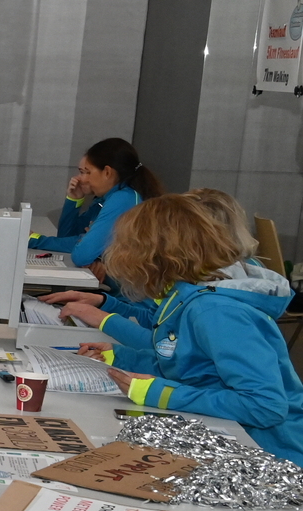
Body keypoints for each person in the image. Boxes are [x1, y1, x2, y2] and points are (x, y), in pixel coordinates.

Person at [75, 196, 303, 464]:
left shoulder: (216, 312)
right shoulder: (186, 296)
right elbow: (189, 366)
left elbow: (265, 406)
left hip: (274, 455)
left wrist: (164, 394)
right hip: (237, 440)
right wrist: (123, 357)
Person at [30, 136, 163, 267]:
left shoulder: (123, 199)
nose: (81, 179)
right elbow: (65, 238)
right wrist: (74, 200)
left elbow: (82, 255)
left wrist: (34, 239)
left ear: (107, 172)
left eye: (86, 172)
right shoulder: (103, 199)